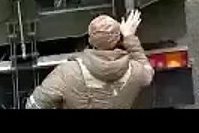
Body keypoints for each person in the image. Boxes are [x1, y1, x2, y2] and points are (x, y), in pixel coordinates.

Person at [25, 10, 154, 109]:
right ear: (119, 39)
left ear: (90, 40)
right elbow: (147, 70)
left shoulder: (67, 72)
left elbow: (34, 106)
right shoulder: (135, 71)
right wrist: (130, 37)